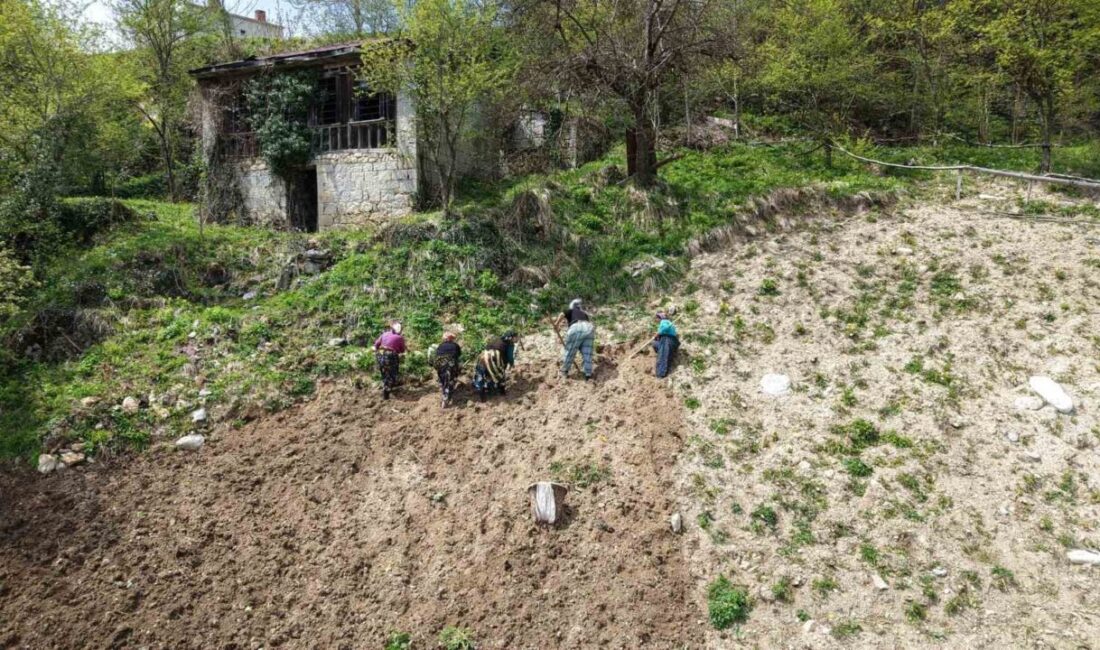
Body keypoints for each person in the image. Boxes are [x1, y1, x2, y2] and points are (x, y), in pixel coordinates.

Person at [556, 298, 595, 380]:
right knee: (587, 352)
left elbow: (562, 314)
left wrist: (556, 324)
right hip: (589, 327)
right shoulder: (583, 313)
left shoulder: (571, 310)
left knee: (570, 350)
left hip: (577, 326)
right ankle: (588, 374)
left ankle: (564, 371)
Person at [473, 330, 518, 401]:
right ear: (511, 338)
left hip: (482, 356)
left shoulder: (497, 340)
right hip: (494, 358)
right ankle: (502, 392)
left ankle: (481, 390)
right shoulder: (510, 344)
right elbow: (509, 356)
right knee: (500, 373)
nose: (517, 338)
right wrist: (511, 363)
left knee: (481, 373)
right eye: (515, 337)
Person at [373, 321, 407, 399]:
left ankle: (387, 386)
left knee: (384, 372)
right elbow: (402, 350)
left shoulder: (384, 334)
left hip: (380, 355)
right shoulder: (399, 338)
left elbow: (376, 345)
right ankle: (387, 391)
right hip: (390, 356)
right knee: (392, 373)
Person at [433, 332, 462, 407]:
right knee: (451, 380)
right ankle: (447, 396)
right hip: (451, 366)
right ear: (452, 339)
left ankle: (444, 390)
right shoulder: (455, 345)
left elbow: (437, 355)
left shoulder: (440, 346)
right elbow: (458, 355)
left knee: (443, 380)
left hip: (440, 365)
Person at [651, 311, 679, 378]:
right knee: (655, 344)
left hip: (667, 340)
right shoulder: (667, 323)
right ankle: (660, 373)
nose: (656, 320)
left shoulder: (664, 322)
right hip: (670, 342)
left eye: (657, 318)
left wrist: (659, 333)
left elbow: (666, 328)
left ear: (660, 318)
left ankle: (660, 374)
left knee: (663, 357)